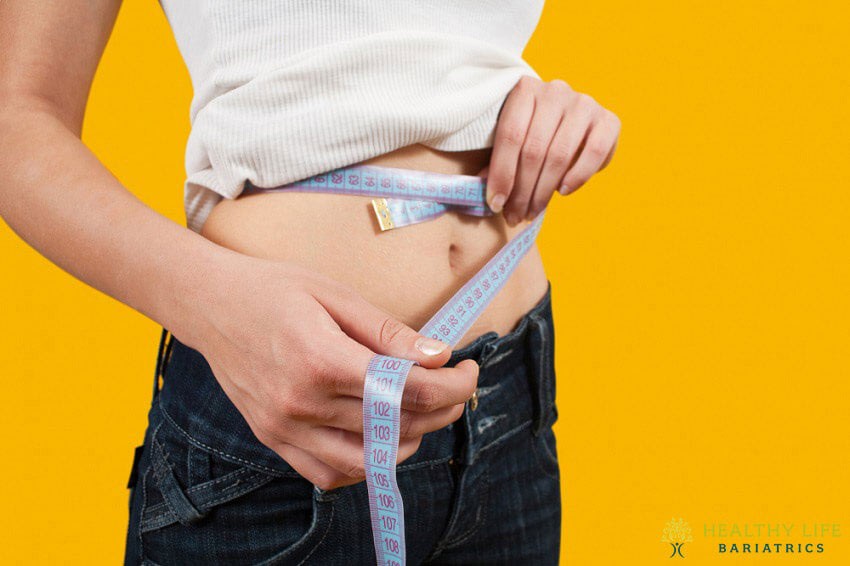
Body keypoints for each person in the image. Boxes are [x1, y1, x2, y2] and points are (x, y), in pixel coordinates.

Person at [0, 1, 620, 564]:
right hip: (285, 425)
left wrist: (547, 110)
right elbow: (17, 118)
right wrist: (211, 304)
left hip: (508, 398)